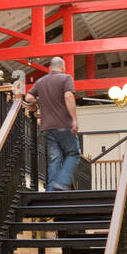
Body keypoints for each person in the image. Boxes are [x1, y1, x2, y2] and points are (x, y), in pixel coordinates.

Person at [26, 57, 80, 191]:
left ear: (50, 68)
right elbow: (68, 96)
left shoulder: (40, 81)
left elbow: (28, 97)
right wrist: (74, 119)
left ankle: (51, 190)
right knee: (73, 153)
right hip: (63, 124)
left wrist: (40, 99)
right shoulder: (66, 78)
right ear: (63, 67)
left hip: (47, 127)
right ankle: (62, 182)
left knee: (55, 158)